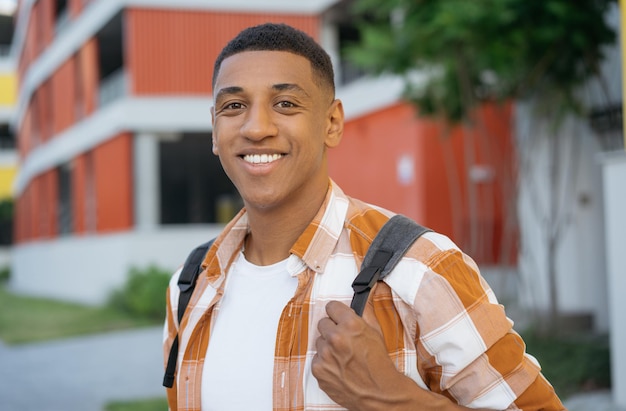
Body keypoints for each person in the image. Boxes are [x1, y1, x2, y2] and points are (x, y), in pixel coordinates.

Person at [163, 22, 565, 411]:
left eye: (285, 103)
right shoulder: (190, 285)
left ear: (332, 123)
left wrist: (395, 400)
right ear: (215, 130)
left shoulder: (418, 271)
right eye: (234, 106)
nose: (256, 128)